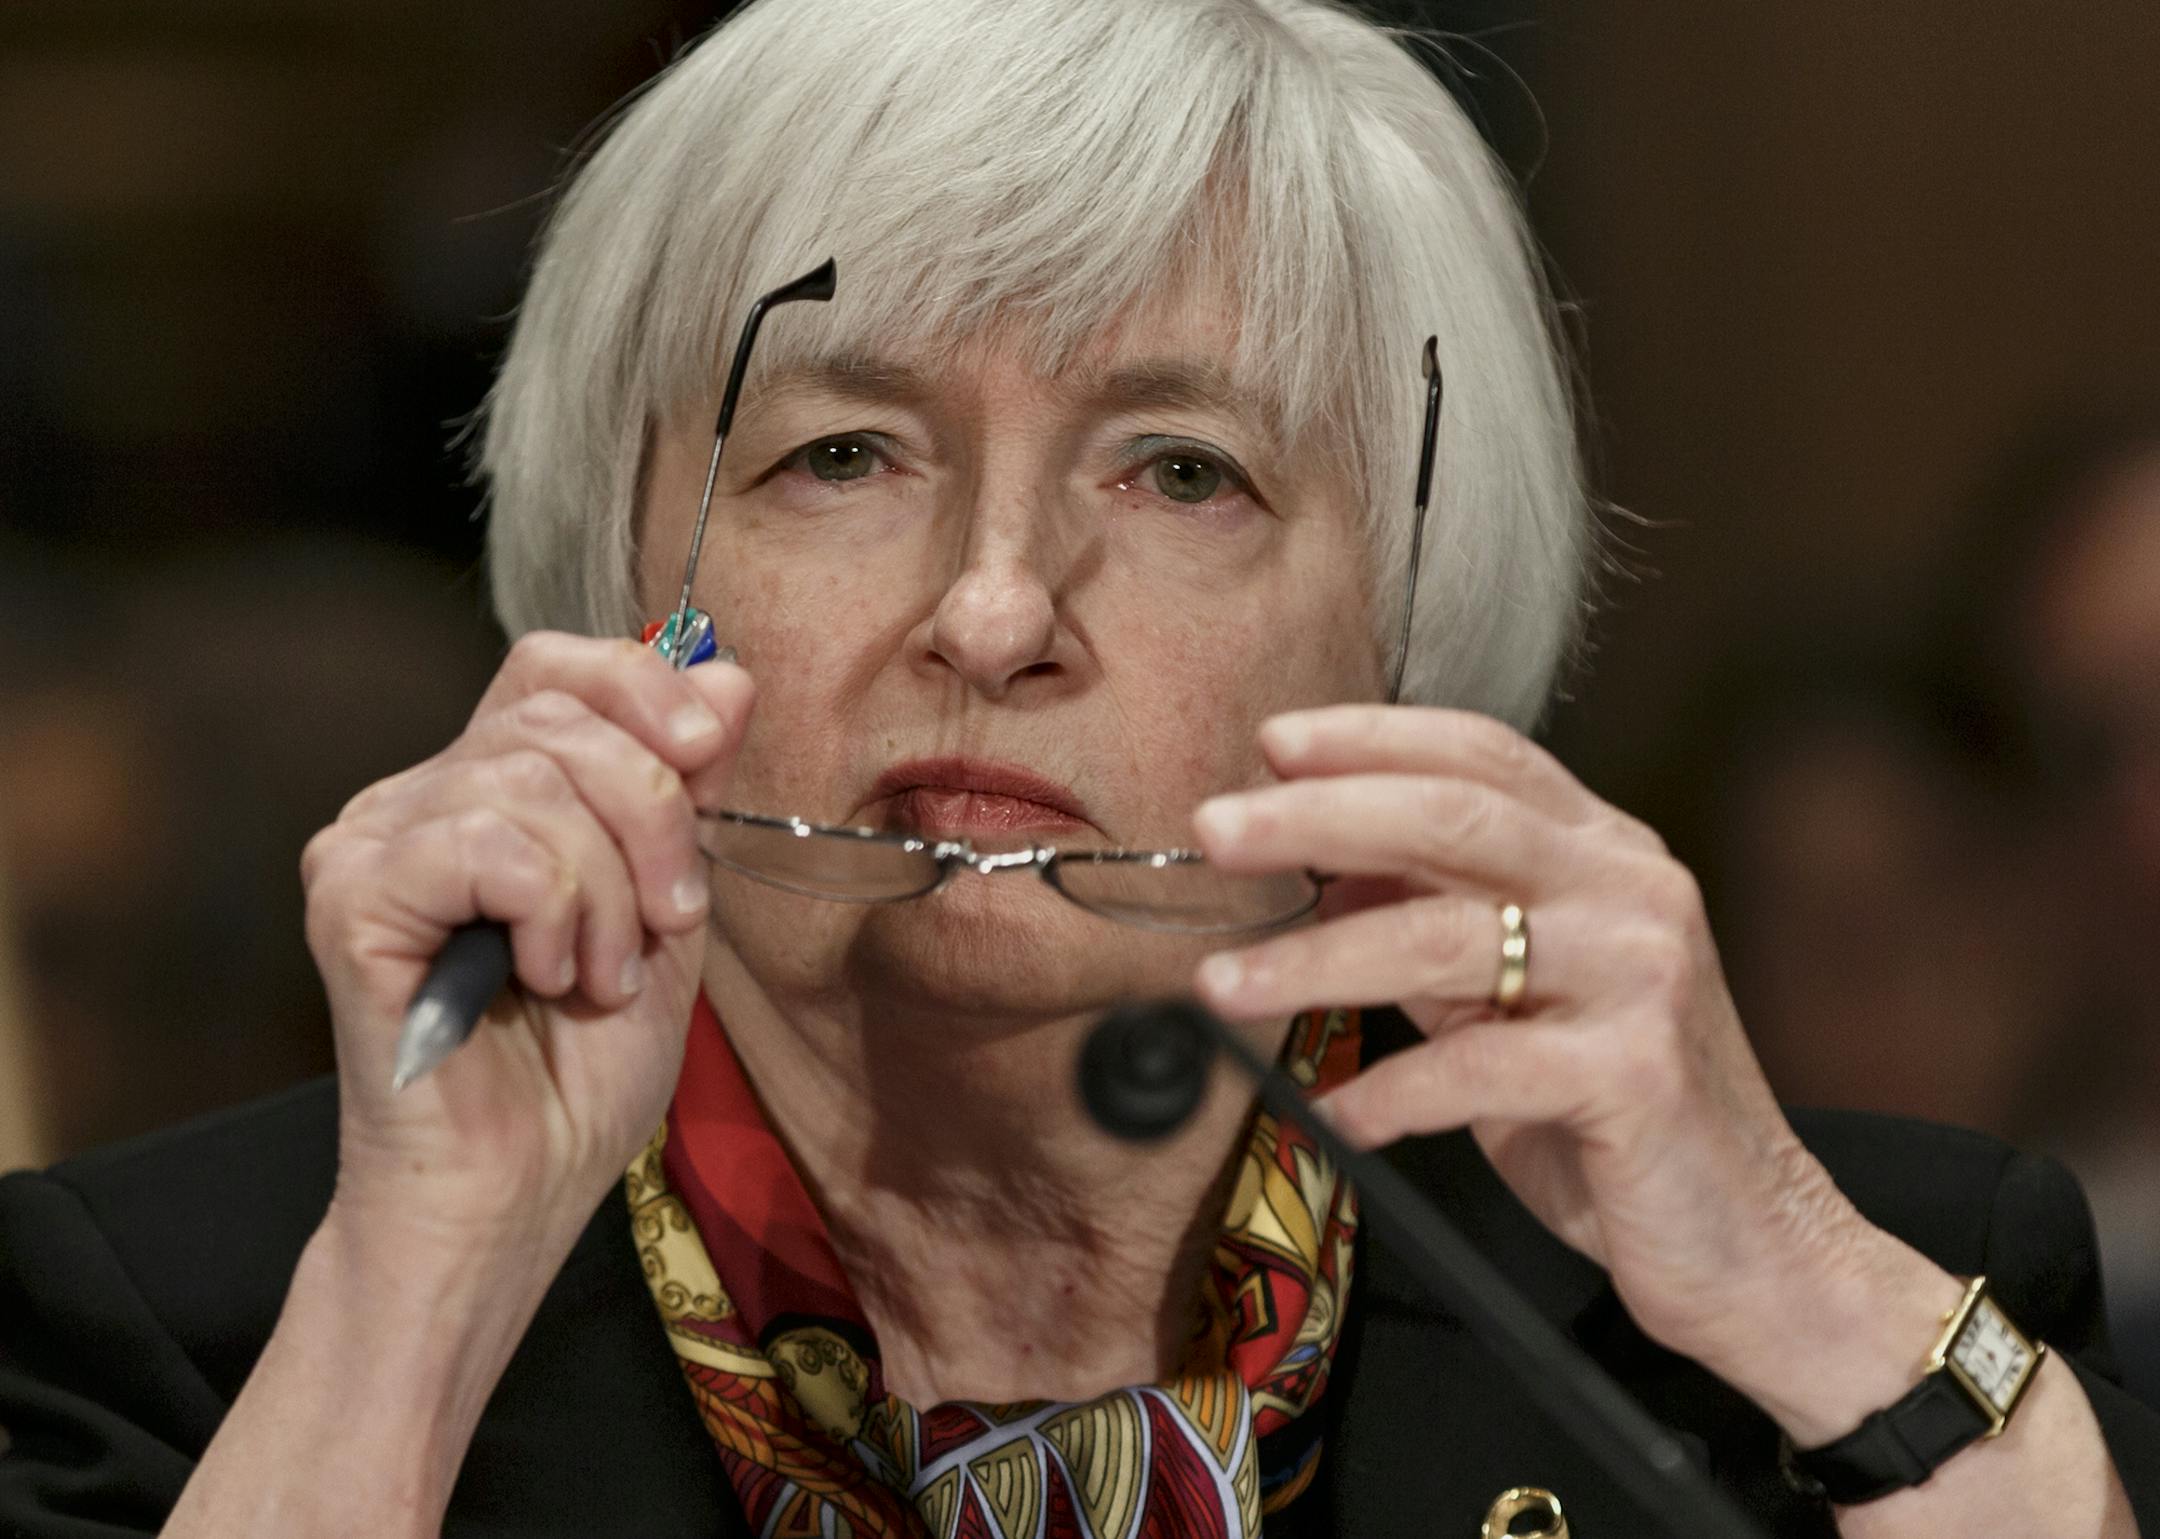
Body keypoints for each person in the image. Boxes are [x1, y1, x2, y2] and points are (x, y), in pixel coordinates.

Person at [1, 0, 2155, 1534]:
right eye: (842, 454)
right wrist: (415, 1297)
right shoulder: (165, 1326)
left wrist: (1797, 1274)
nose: (999, 602)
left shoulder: (1844, 1307)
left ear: (1398, 629)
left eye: (1185, 469)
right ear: (622, 583)